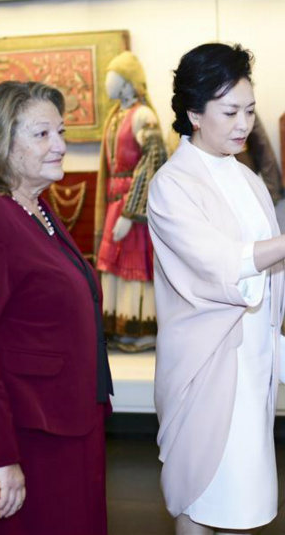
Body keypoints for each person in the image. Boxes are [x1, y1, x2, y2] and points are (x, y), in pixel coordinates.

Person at [147, 43, 285, 535]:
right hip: (207, 360)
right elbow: (218, 264)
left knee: (241, 493)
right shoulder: (171, 183)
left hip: (251, 356)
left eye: (249, 110)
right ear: (194, 113)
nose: (244, 123)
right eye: (229, 112)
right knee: (198, 491)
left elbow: (271, 273)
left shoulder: (246, 177)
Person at [0, 81, 112, 535]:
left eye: (62, 132)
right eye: (42, 134)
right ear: (0, 141)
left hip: (59, 423)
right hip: (15, 432)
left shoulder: (37, 209)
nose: (62, 146)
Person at [95, 51, 167, 352]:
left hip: (134, 207)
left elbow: (153, 160)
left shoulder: (142, 116)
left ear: (127, 83)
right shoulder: (115, 116)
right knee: (114, 265)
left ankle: (141, 328)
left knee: (135, 264)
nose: (108, 84)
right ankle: (117, 326)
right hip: (115, 201)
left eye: (114, 77)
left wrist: (131, 210)